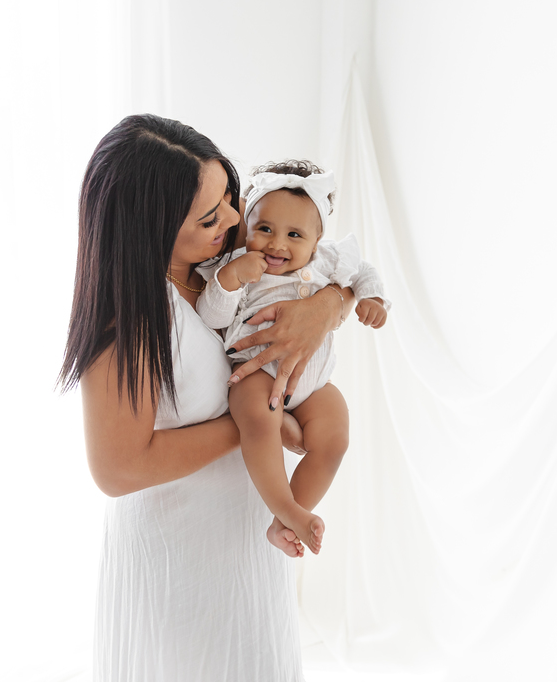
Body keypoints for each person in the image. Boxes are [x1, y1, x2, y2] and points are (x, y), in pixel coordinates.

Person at [58, 115, 356, 681]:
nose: (236, 219)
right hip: (180, 564)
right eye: (209, 216)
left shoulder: (223, 255)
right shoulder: (132, 318)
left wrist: (327, 307)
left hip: (248, 546)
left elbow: (325, 258)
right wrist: (259, 422)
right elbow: (117, 469)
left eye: (228, 197)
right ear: (148, 228)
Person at [196, 161, 391, 555]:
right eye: (265, 229)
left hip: (313, 384)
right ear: (248, 225)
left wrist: (373, 297)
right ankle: (286, 507)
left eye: (294, 235)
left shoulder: (328, 259)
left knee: (335, 437)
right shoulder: (237, 265)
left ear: (317, 240)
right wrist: (231, 279)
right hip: (257, 373)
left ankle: (284, 522)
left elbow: (363, 269)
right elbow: (210, 316)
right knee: (257, 420)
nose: (277, 245)